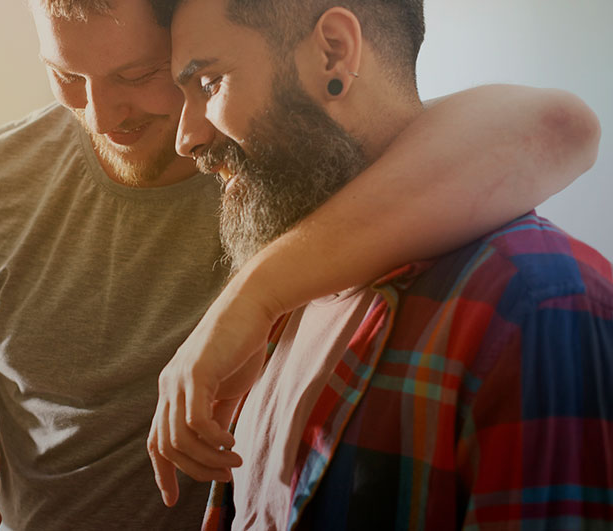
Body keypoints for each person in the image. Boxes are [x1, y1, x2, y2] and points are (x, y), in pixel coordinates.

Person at [0, 1, 601, 530]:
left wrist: (249, 296)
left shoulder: (270, 177)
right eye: (65, 77)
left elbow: (555, 127)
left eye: (139, 74)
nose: (102, 115)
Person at [147, 0, 613, 528]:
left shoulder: (537, 305)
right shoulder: (275, 308)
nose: (186, 139)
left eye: (208, 83)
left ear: (334, 52)